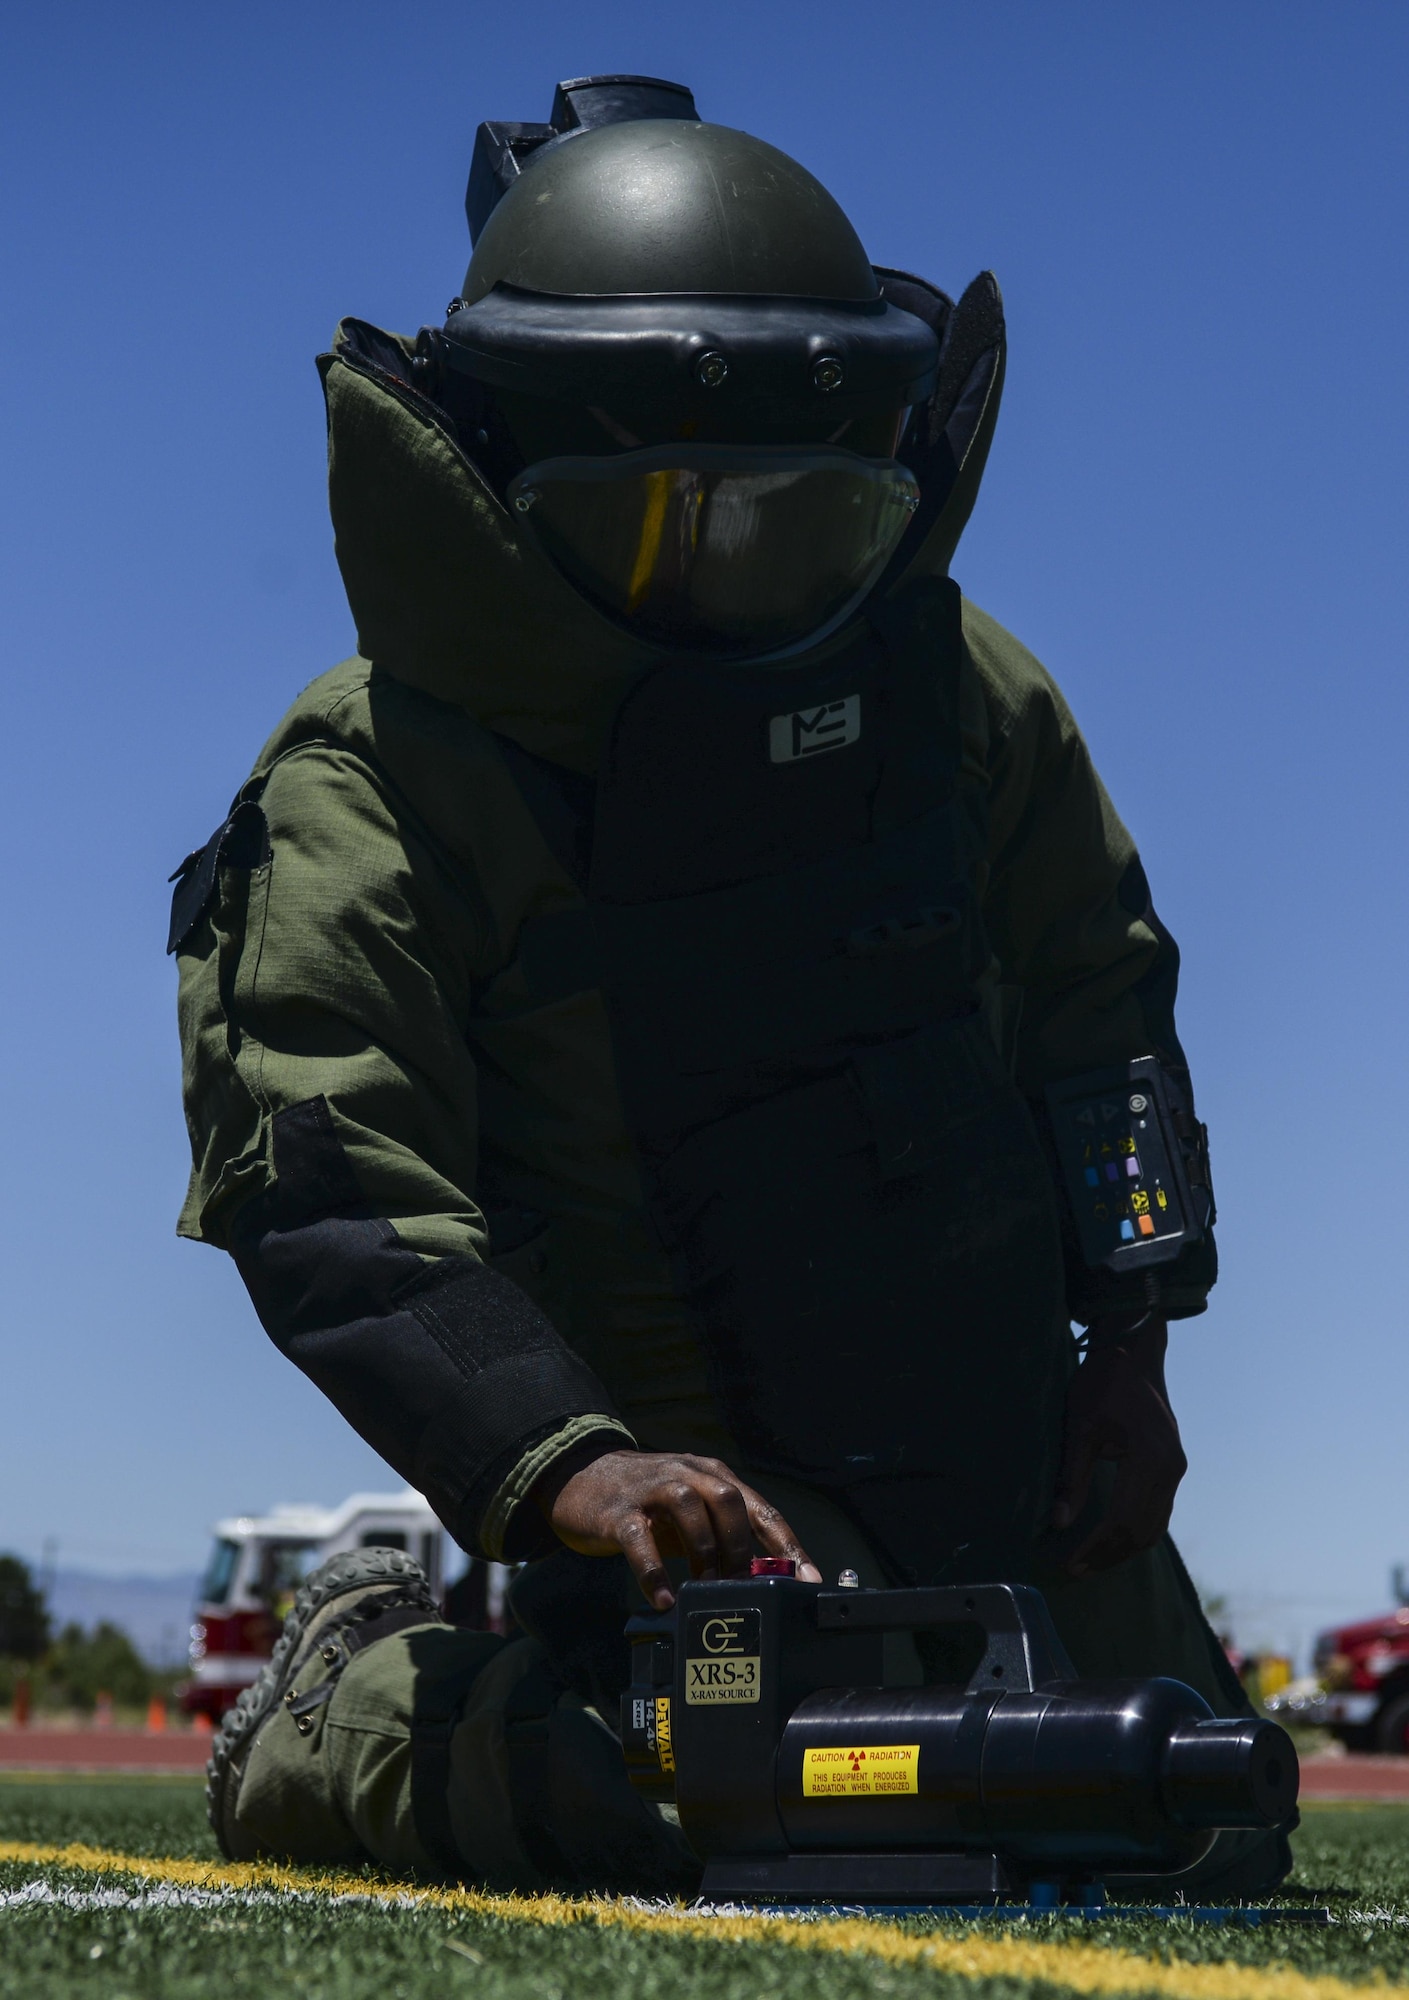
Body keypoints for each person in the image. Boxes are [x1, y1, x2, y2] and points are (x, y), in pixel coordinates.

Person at [170, 74, 1290, 1893]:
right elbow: (333, 1179)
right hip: (674, 1512)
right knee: (716, 1812)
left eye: (796, 518)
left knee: (1185, 1801)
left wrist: (1129, 1359)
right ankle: (343, 1691)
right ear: (511, 482)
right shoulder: (377, 774)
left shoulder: (962, 697)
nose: (736, 573)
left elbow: (1104, 1020)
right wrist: (573, 1470)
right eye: (662, 524)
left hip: (984, 1445)